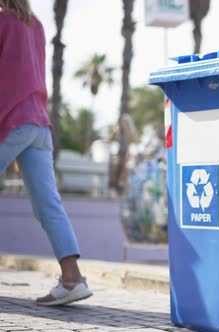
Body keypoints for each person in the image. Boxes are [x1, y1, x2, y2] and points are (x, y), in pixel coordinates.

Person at [0, 0, 92, 305]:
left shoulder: (2, 22)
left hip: (10, 121)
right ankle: (72, 279)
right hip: (39, 123)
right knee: (48, 204)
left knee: (48, 204)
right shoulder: (35, 25)